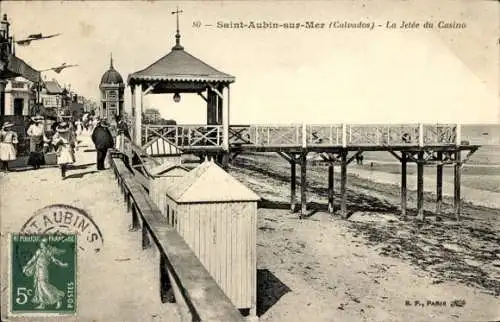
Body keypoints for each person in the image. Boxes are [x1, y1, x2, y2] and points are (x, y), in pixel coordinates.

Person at [22, 237, 68, 310]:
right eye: (41, 243)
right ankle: (42, 304)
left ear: (45, 244)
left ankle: (57, 298)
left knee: (44, 285)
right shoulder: (38, 251)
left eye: (42, 243)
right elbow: (33, 260)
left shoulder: (48, 252)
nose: (41, 244)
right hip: (37, 270)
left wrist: (62, 264)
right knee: (39, 287)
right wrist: (26, 266)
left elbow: (54, 260)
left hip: (43, 270)